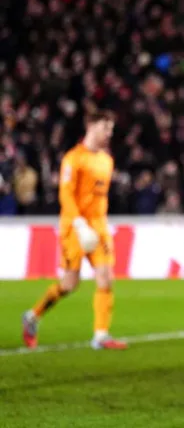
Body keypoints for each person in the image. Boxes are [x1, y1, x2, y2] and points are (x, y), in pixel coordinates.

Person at [22, 110, 127, 350]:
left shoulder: (107, 160)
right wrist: (79, 224)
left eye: (111, 129)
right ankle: (32, 316)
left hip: (99, 227)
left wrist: (98, 225)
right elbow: (66, 194)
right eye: (105, 128)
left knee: (106, 278)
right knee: (69, 284)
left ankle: (101, 335)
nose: (109, 133)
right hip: (75, 227)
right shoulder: (73, 159)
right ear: (91, 126)